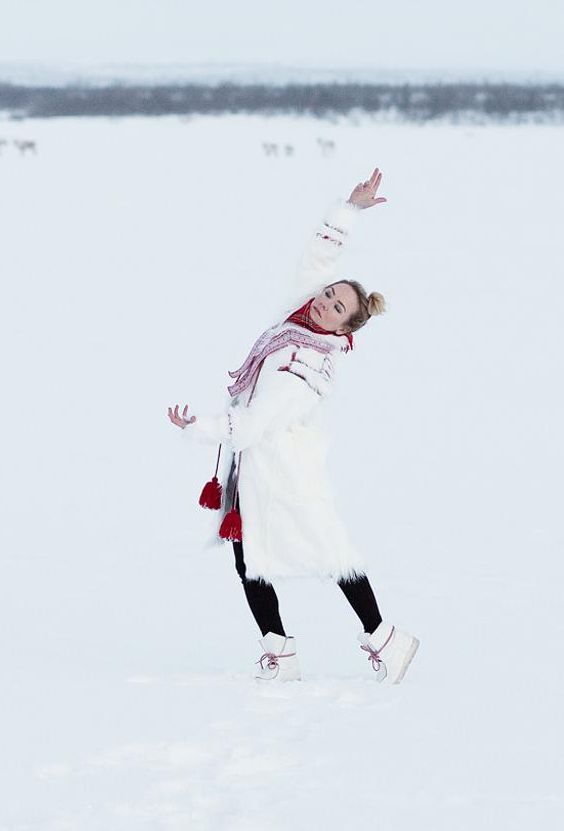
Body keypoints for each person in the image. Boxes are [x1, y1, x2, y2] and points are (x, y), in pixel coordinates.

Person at [167, 169, 419, 684]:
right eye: (328, 295)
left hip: (284, 475)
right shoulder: (299, 318)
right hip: (262, 471)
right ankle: (281, 656)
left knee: (330, 553)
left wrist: (199, 426)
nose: (323, 302)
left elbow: (250, 427)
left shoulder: (304, 364)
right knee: (252, 561)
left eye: (336, 307)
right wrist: (348, 212)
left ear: (343, 328)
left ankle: (386, 640)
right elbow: (317, 261)